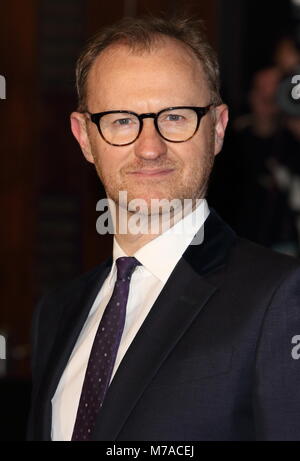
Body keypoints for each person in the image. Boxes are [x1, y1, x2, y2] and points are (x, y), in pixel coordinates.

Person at [28, 15, 300, 441]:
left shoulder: (280, 299)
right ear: (84, 137)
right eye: (121, 120)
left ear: (218, 129)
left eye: (175, 117)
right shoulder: (57, 312)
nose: (150, 148)